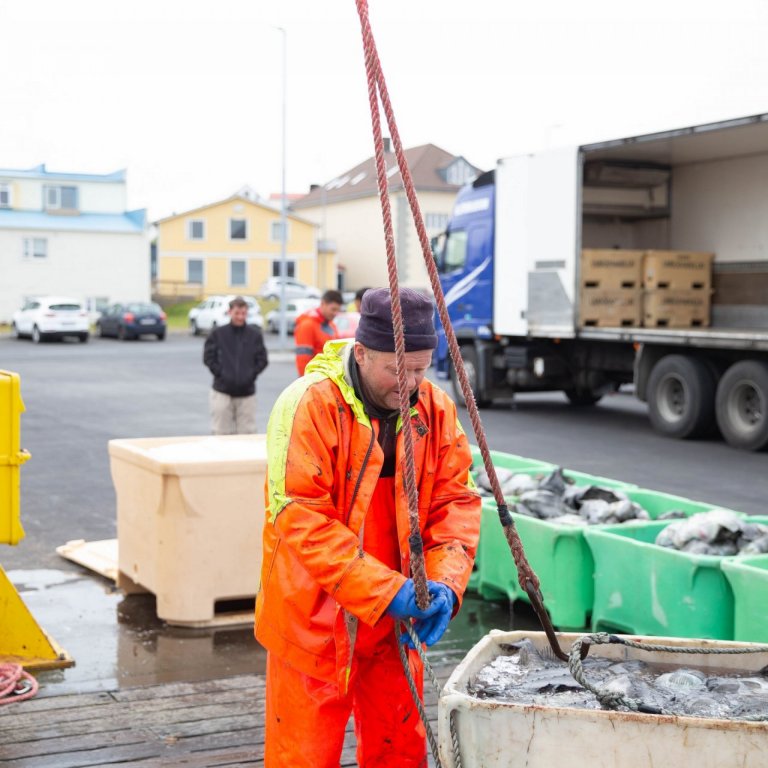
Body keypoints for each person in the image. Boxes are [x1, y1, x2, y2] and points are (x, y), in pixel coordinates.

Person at [255, 287, 481, 767]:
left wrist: (445, 582)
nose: (411, 383)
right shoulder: (308, 405)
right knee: (303, 755)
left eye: (421, 369)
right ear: (360, 353)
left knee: (400, 750)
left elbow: (454, 500)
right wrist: (386, 591)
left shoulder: (435, 409)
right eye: (398, 370)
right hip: (313, 620)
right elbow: (303, 517)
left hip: (396, 621)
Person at [203, 296, 268, 435]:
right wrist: (221, 373)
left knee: (247, 435)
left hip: (247, 394)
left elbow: (262, 359)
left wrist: (251, 374)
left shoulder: (254, 335)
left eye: (243, 313)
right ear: (230, 312)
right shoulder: (218, 334)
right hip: (222, 392)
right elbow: (208, 357)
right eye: (237, 313)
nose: (240, 317)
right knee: (221, 434)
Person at [293, 288, 343, 376]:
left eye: (338, 310)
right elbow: (303, 359)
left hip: (328, 377)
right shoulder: (307, 325)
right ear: (323, 304)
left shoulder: (331, 325)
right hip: (314, 380)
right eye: (333, 309)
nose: (335, 313)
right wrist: (307, 383)